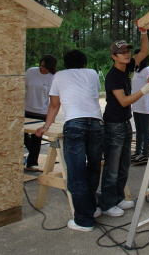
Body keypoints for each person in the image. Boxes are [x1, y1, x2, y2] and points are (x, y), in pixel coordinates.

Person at [34, 50, 104, 232]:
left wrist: (45, 127)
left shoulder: (59, 76)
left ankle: (84, 220)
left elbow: (54, 105)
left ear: (65, 64)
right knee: (93, 169)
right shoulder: (92, 73)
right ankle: (92, 208)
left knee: (76, 173)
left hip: (74, 125)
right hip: (96, 124)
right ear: (84, 63)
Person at [100, 25, 149, 218]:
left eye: (127, 51)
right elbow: (124, 101)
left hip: (125, 123)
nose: (126, 54)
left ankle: (118, 199)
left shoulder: (127, 68)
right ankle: (107, 204)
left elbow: (145, 51)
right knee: (112, 167)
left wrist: (143, 32)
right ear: (113, 56)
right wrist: (143, 91)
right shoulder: (113, 76)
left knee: (124, 166)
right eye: (121, 52)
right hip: (113, 125)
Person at [23, 54, 57, 171]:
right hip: (27, 109)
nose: (42, 69)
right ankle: (31, 154)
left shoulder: (53, 78)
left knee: (36, 138)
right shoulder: (31, 71)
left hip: (41, 112)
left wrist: (51, 117)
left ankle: (32, 163)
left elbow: (54, 100)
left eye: (46, 67)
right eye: (41, 66)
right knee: (22, 135)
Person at [130, 48, 149, 165]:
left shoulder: (147, 70)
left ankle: (145, 154)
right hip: (136, 103)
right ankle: (137, 151)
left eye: (136, 55)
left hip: (144, 104)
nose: (134, 58)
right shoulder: (136, 70)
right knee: (139, 130)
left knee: (145, 130)